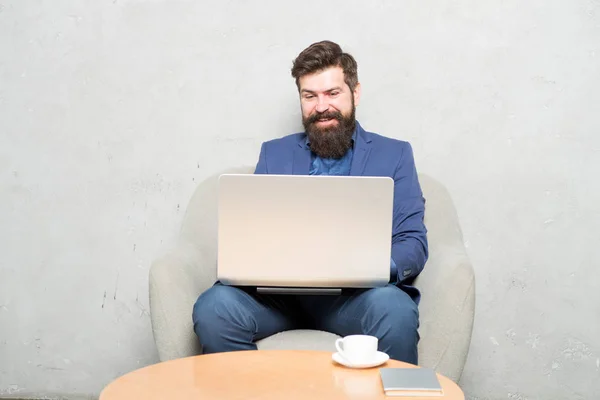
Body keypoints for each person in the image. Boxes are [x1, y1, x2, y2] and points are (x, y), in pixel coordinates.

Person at [192, 40, 428, 364]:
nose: (321, 107)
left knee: (396, 310)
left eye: (333, 93)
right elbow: (254, 234)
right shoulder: (274, 153)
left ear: (355, 94)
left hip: (356, 300)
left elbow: (412, 241)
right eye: (310, 96)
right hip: (277, 300)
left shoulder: (395, 154)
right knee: (213, 308)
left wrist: (371, 268)